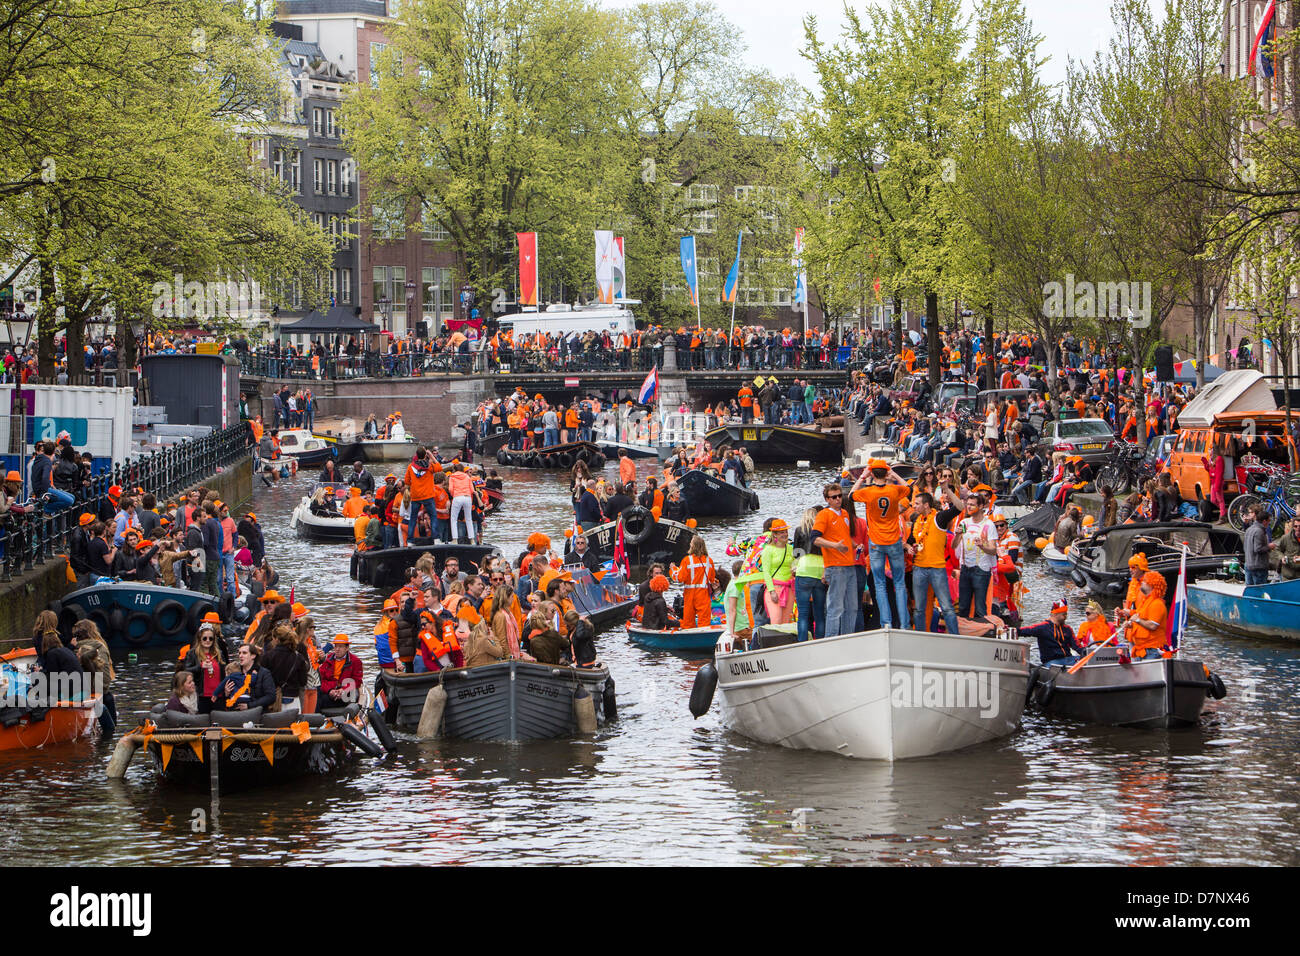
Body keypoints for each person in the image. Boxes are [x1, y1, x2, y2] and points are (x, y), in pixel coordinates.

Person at [850, 459, 911, 629]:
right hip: (894, 541)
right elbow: (909, 488)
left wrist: (862, 477)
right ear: (886, 472)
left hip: (876, 542)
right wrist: (894, 475)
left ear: (872, 473)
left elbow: (851, 495)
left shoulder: (868, 492)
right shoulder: (894, 490)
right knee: (899, 583)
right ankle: (904, 624)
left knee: (880, 584)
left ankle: (886, 623)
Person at [907, 490, 962, 635]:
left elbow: (960, 507)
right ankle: (919, 636)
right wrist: (908, 548)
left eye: (917, 504)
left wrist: (948, 489)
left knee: (947, 607)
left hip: (937, 568)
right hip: (919, 568)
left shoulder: (939, 518)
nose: (914, 506)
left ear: (926, 505)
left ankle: (955, 637)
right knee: (919, 608)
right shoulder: (916, 522)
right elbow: (909, 542)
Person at [813, 482, 856, 638]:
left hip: (849, 564)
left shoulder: (844, 513)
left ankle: (847, 638)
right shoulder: (824, 515)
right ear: (827, 499)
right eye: (834, 497)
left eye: (839, 496)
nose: (838, 499)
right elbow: (815, 538)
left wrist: (854, 544)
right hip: (836, 566)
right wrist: (835, 546)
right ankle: (831, 639)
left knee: (852, 607)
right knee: (835, 607)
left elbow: (843, 535)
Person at [953, 491, 998, 622]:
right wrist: (957, 535)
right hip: (965, 568)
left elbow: (993, 550)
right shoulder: (964, 522)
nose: (969, 507)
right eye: (968, 504)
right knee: (963, 606)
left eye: (972, 505)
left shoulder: (988, 525)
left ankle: (982, 632)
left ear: (981, 506)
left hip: (981, 569)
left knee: (980, 608)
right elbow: (953, 546)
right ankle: (964, 632)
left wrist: (982, 546)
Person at [792, 507, 826, 642]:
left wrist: (794, 567)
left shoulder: (800, 530)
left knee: (803, 614)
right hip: (820, 570)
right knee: (819, 614)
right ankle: (821, 642)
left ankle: (802, 642)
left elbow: (796, 553)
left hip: (804, 570)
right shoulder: (822, 531)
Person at [1020, 601, 1085, 666]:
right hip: (1052, 662)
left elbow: (1077, 646)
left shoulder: (1067, 629)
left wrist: (1086, 653)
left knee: (1086, 661)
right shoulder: (1042, 627)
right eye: (1064, 614)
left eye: (1066, 614)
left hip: (1069, 659)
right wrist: (1012, 630)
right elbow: (1025, 630)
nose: (1066, 617)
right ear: (1055, 614)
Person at [215, 643, 277, 711]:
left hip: (256, 712)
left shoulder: (263, 673)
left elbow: (271, 696)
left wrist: (249, 705)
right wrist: (226, 694)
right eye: (239, 653)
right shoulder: (233, 671)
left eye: (244, 653)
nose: (240, 655)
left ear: (253, 656)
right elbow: (222, 698)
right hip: (235, 712)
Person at [672, 536, 717, 629]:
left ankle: (690, 638)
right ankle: (704, 638)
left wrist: (672, 569)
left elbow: (679, 578)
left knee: (688, 621)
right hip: (703, 594)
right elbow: (712, 578)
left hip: (690, 594)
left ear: (693, 546)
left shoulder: (687, 560)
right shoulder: (709, 560)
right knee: (704, 621)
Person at [1125, 571, 1169, 660]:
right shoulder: (1145, 602)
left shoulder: (1157, 604)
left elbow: (1153, 625)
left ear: (1151, 585)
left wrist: (1137, 620)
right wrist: (1131, 625)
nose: (1142, 582)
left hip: (1152, 650)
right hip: (1142, 650)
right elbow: (1141, 620)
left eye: (1145, 581)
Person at [760, 518, 795, 626]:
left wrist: (796, 568)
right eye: (781, 532)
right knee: (776, 621)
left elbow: (796, 564)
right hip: (775, 589)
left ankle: (785, 643)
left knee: (785, 623)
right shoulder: (768, 550)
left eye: (785, 532)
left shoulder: (791, 548)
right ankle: (775, 643)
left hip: (789, 589)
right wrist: (771, 591)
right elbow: (766, 572)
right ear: (774, 535)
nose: (785, 534)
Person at [318, 634, 363, 709]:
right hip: (330, 692)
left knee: (352, 696)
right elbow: (321, 679)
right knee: (318, 696)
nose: (337, 649)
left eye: (340, 646)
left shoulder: (356, 661)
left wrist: (343, 690)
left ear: (347, 648)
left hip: (346, 693)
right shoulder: (328, 659)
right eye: (336, 646)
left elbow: (357, 681)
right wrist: (330, 691)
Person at [1243, 503, 1271, 587]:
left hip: (1248, 563)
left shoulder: (1249, 529)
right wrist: (1269, 547)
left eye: (1251, 512)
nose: (1249, 514)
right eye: (1269, 521)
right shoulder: (1260, 530)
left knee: (1250, 590)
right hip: (1258, 565)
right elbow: (1258, 549)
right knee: (1260, 591)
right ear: (1264, 521)